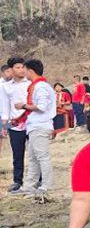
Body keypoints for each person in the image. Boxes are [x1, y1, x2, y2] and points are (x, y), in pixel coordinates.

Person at [13, 59, 56, 195]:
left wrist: (23, 105)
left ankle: (47, 186)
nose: (23, 72)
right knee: (33, 157)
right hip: (34, 125)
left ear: (30, 71)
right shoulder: (35, 86)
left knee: (42, 156)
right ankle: (29, 185)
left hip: (41, 125)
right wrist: (20, 118)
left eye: (24, 70)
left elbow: (42, 107)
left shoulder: (41, 86)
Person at [0, 57, 31, 191]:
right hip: (14, 124)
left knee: (34, 153)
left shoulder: (30, 83)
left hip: (31, 122)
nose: (21, 70)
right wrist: (4, 126)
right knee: (17, 154)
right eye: (17, 67)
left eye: (22, 67)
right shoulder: (5, 87)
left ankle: (38, 180)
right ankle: (17, 181)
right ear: (11, 70)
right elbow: (5, 107)